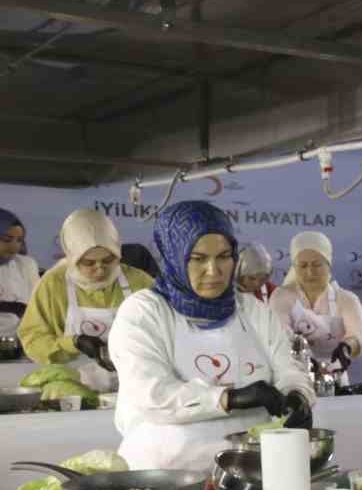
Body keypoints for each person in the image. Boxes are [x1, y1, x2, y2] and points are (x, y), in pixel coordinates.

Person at [108, 201, 313, 469]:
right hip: (167, 472)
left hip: (252, 469)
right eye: (198, 258)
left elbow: (287, 367)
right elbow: (153, 394)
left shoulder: (251, 309)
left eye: (224, 256)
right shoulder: (143, 312)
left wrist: (296, 393)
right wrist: (229, 398)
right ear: (173, 256)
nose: (214, 271)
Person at [18, 208, 153, 391]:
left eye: (108, 260)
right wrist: (74, 343)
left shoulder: (140, 281)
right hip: (71, 390)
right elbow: (33, 340)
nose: (100, 269)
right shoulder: (53, 284)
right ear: (72, 257)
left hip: (135, 387)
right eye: (89, 263)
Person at [268, 231, 362, 377]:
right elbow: (280, 337)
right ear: (293, 267)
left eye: (317, 265)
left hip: (334, 374)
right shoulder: (281, 297)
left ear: (328, 264)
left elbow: (358, 335)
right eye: (303, 266)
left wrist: (346, 348)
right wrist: (307, 362)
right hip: (293, 375)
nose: (310, 272)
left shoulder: (347, 299)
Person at [0, 207, 40, 336]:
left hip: (21, 343)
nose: (13, 247)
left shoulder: (26, 264)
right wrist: (11, 306)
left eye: (19, 240)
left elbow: (38, 304)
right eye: (7, 239)